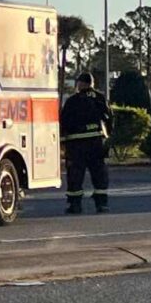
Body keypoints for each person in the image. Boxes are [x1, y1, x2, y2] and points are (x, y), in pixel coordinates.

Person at [60, 72, 113, 213]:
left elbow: (64, 121)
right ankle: (102, 204)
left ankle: (75, 205)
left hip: (76, 145)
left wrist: (62, 141)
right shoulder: (100, 98)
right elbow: (109, 119)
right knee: (99, 174)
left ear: (80, 84)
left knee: (75, 176)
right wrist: (108, 139)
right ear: (92, 84)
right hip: (97, 143)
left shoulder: (73, 100)